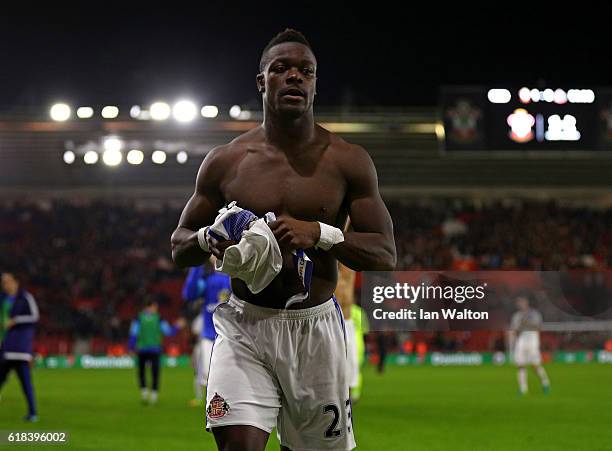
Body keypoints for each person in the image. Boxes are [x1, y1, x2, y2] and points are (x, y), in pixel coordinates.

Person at [171, 28, 396, 451]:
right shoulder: (225, 162)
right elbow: (179, 245)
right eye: (281, 69)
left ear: (314, 83)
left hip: (316, 332)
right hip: (244, 326)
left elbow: (385, 253)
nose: (294, 76)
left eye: (304, 71)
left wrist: (322, 234)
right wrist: (208, 237)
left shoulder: (348, 161)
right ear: (262, 81)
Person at [182, 258, 231, 406]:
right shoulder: (207, 281)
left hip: (232, 337)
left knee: (230, 376)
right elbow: (189, 294)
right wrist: (197, 264)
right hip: (209, 336)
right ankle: (217, 406)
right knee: (208, 375)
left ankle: (227, 406)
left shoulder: (234, 279)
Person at [128, 300, 184, 405]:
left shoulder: (138, 318)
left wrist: (130, 348)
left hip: (142, 349)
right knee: (155, 373)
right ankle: (153, 396)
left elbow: (133, 334)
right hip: (154, 349)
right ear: (152, 306)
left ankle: (144, 394)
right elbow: (169, 332)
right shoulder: (159, 318)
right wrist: (177, 326)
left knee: (141, 372)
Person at [0, 271, 39, 422]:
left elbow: (34, 317)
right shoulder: (2, 299)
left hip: (20, 350)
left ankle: (33, 413)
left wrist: (15, 320)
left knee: (25, 383)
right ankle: (33, 412)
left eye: (7, 281)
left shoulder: (25, 297)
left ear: (16, 282)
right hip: (5, 348)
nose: (5, 284)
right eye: (3, 282)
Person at [509, 296, 551, 395]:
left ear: (526, 303)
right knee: (520, 365)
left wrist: (527, 323)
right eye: (519, 303)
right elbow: (514, 330)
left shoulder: (535, 314)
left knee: (535, 365)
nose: (520, 305)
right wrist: (518, 329)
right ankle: (523, 389)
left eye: (522, 302)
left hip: (532, 339)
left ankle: (545, 383)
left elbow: (539, 326)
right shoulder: (517, 316)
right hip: (522, 340)